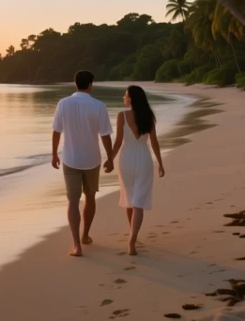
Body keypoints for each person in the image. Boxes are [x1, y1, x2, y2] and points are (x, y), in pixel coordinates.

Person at [51, 70, 114, 257]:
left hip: (70, 159)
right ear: (90, 85)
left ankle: (76, 245)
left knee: (73, 201)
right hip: (92, 159)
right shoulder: (98, 105)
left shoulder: (63, 103)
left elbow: (56, 131)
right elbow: (105, 135)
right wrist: (110, 158)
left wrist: (54, 154)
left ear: (75, 83)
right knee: (90, 197)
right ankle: (85, 235)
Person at [104, 85, 165, 255]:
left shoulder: (122, 115)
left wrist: (110, 159)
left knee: (130, 198)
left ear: (131, 98)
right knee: (138, 200)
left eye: (125, 95)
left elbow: (118, 142)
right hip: (144, 158)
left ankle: (132, 236)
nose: (124, 97)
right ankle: (132, 238)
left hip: (127, 159)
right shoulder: (148, 116)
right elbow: (154, 142)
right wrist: (160, 163)